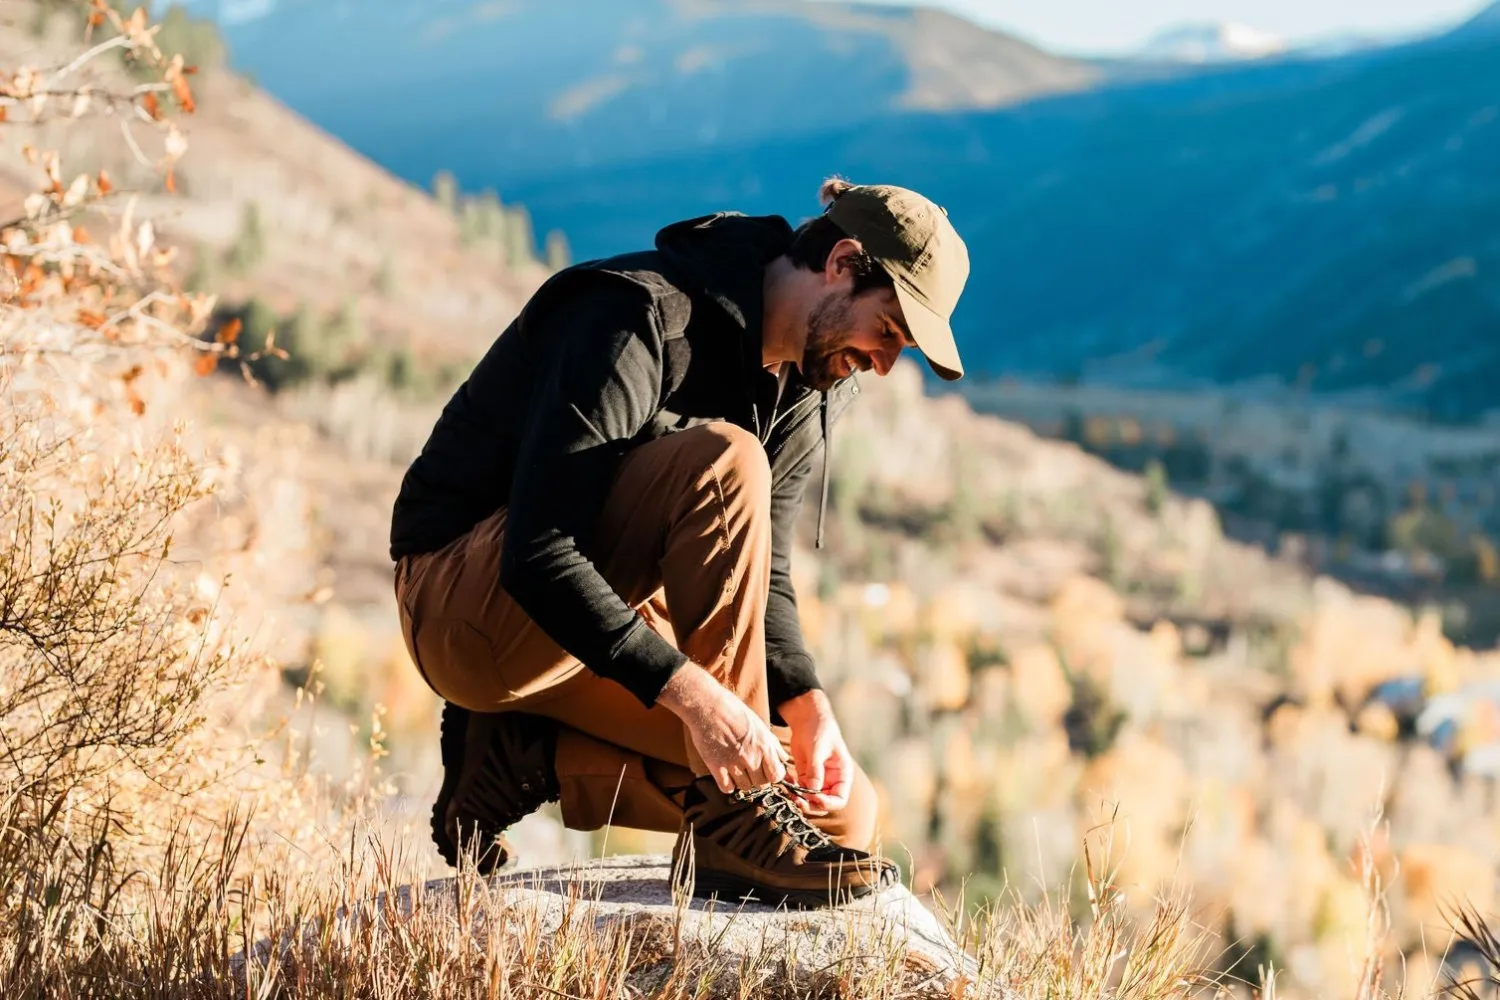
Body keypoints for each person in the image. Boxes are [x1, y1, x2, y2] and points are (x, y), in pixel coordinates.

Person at [389, 177, 970, 908]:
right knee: (727, 459)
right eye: (888, 330)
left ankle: (519, 752)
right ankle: (733, 820)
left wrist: (807, 704)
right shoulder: (635, 315)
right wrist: (696, 698)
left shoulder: (801, 382)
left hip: (586, 634)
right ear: (843, 262)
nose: (886, 363)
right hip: (465, 605)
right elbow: (537, 552)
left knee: (843, 813)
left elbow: (766, 572)